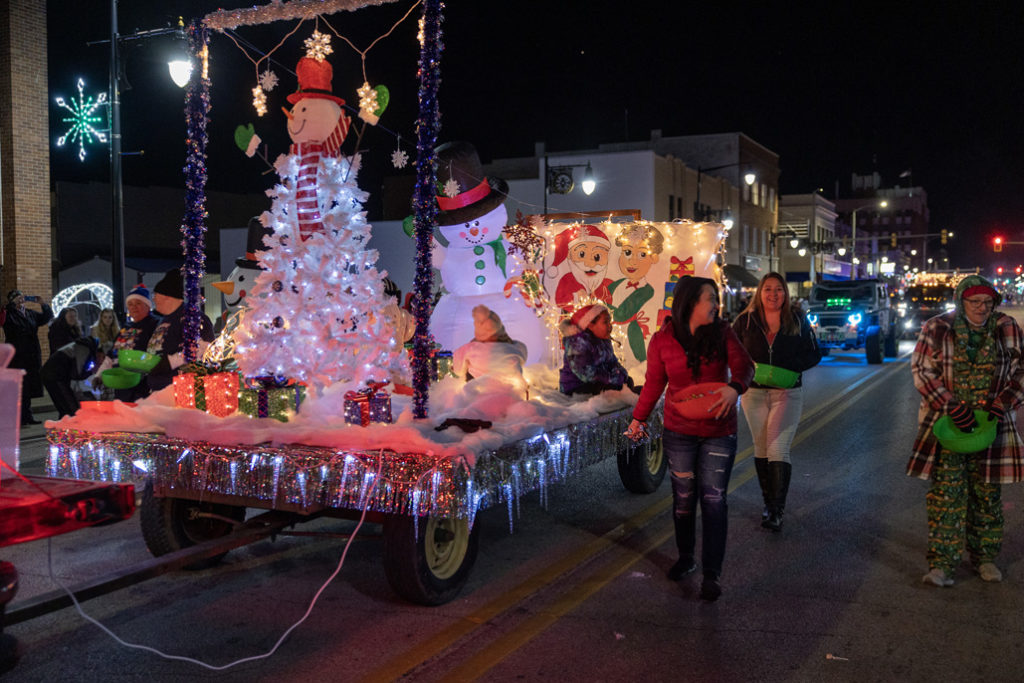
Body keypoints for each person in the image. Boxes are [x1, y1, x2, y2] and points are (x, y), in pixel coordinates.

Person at [626, 276, 754, 601]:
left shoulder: (724, 333)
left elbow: (745, 367)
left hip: (718, 433)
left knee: (713, 501)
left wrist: (734, 387)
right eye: (710, 298)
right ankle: (686, 559)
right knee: (683, 500)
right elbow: (654, 384)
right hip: (679, 433)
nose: (716, 304)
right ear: (689, 303)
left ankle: (712, 573)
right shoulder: (661, 341)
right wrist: (638, 419)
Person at [908, 274, 1024, 587]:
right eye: (975, 302)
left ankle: (985, 558)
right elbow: (920, 368)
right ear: (962, 301)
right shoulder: (937, 327)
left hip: (990, 428)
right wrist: (950, 404)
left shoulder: (1008, 328)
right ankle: (942, 565)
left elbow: (1022, 371)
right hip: (948, 427)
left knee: (987, 495)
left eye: (988, 302)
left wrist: (1005, 402)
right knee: (946, 496)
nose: (982, 308)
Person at [732, 272, 821, 531]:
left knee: (777, 448)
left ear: (786, 293)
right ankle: (769, 503)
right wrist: (744, 370)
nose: (773, 294)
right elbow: (732, 351)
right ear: (760, 292)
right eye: (768, 289)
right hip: (754, 393)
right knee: (761, 448)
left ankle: (777, 511)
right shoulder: (745, 321)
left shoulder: (797, 319)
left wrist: (789, 368)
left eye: (778, 289)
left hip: (787, 393)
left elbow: (815, 354)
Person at [144, 269, 215, 393]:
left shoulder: (191, 317)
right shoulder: (164, 320)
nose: (154, 299)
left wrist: (169, 362)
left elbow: (204, 347)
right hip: (158, 389)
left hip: (179, 391)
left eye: (156, 295)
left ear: (167, 296)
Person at [559, 303, 636, 396]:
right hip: (577, 387)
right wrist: (612, 379)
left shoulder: (604, 340)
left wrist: (622, 375)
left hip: (599, 381)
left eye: (610, 321)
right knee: (612, 388)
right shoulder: (578, 343)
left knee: (628, 381)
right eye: (605, 322)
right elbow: (586, 373)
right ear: (590, 325)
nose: (610, 325)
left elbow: (612, 362)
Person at [453, 305, 528, 397]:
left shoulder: (470, 348)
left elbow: (458, 370)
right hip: (511, 390)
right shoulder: (515, 348)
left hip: (479, 390)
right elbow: (523, 357)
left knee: (468, 370)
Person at [3, 290, 54, 425]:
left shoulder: (30, 314)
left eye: (20, 297)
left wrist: (43, 303)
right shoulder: (8, 314)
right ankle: (16, 418)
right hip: (17, 355)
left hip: (31, 354)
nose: (20, 300)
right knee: (18, 388)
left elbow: (46, 317)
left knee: (28, 387)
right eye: (16, 298)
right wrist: (11, 306)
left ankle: (27, 416)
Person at [41, 336, 103, 418]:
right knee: (70, 407)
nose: (101, 361)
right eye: (102, 357)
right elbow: (77, 373)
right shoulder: (84, 348)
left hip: (53, 374)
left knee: (64, 405)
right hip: (55, 376)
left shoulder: (81, 346)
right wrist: (91, 372)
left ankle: (64, 426)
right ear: (98, 352)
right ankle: (70, 426)